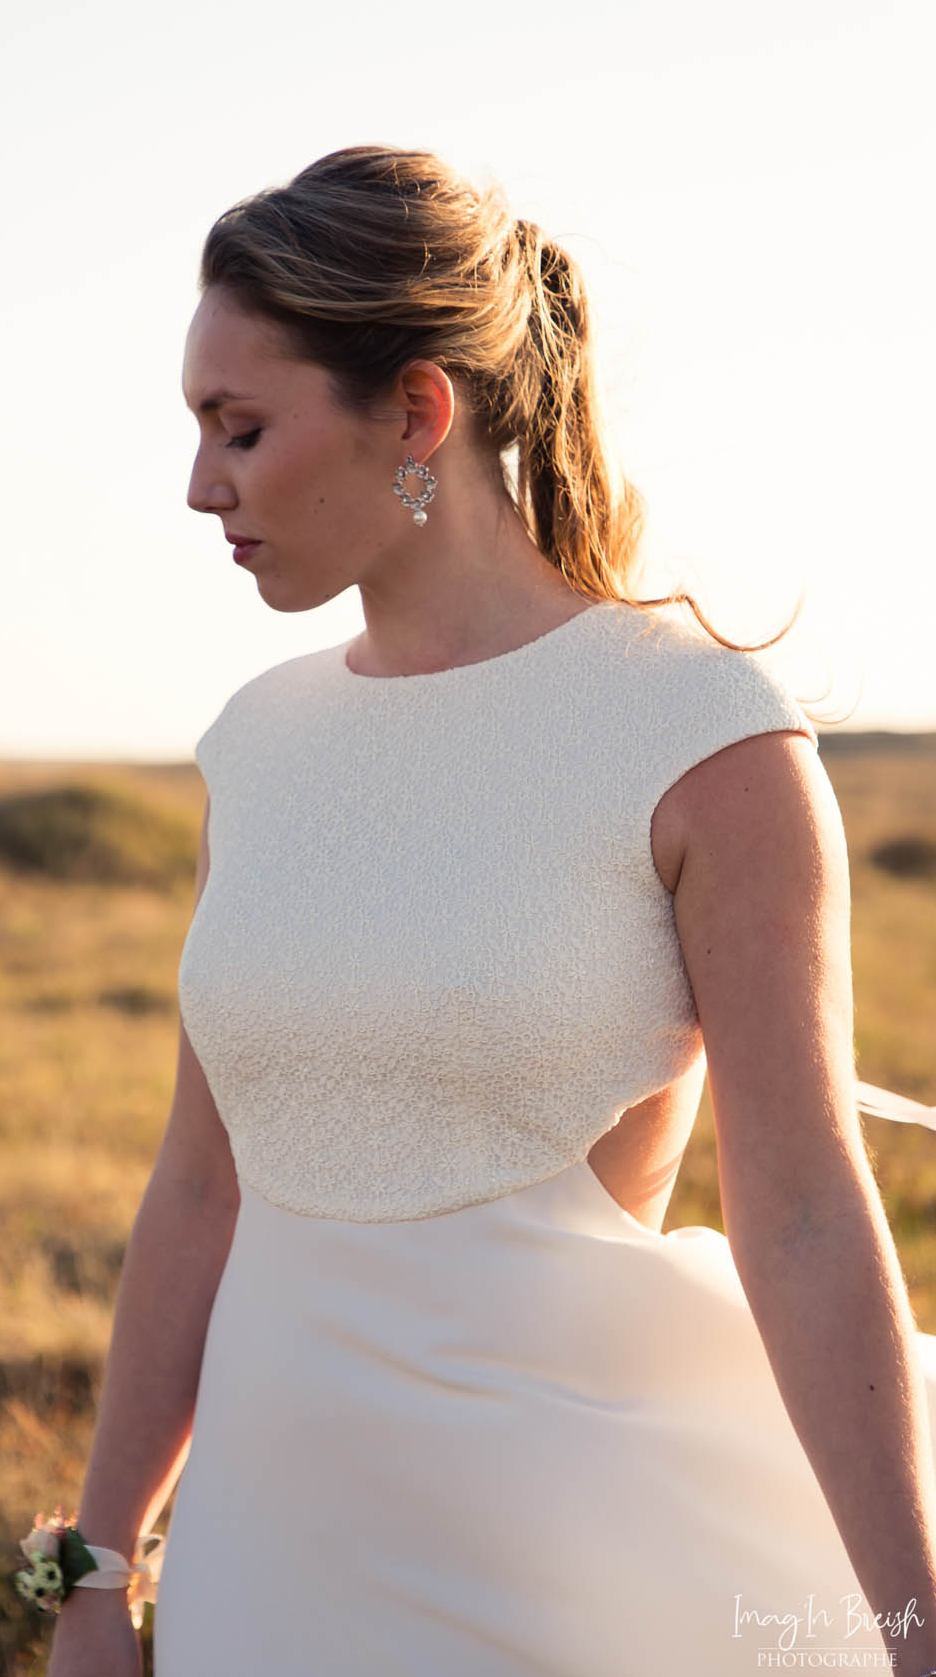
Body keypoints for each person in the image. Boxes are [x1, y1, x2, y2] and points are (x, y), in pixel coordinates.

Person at [46, 145, 936, 1676]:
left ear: (414, 414)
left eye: (239, 429)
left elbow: (800, 1214)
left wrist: (916, 1625)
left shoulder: (698, 738)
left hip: (573, 1580)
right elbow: (202, 1188)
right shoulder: (256, 745)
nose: (202, 487)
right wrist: (89, 1572)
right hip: (267, 1578)